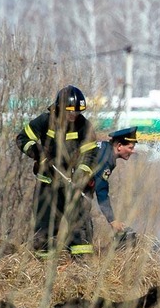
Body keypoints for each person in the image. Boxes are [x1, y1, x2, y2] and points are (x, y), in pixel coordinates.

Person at [15, 85, 98, 258]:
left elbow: (90, 154)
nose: (73, 115)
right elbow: (23, 138)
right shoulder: (45, 121)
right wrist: (38, 154)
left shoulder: (85, 126)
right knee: (45, 227)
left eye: (77, 111)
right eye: (70, 111)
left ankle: (82, 269)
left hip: (73, 186)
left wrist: (81, 173)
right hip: (47, 184)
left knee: (80, 227)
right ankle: (43, 267)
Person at [92, 126, 138, 238]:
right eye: (130, 148)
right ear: (119, 146)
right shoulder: (106, 160)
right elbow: (101, 191)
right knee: (83, 228)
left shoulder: (104, 148)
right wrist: (112, 221)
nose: (133, 151)